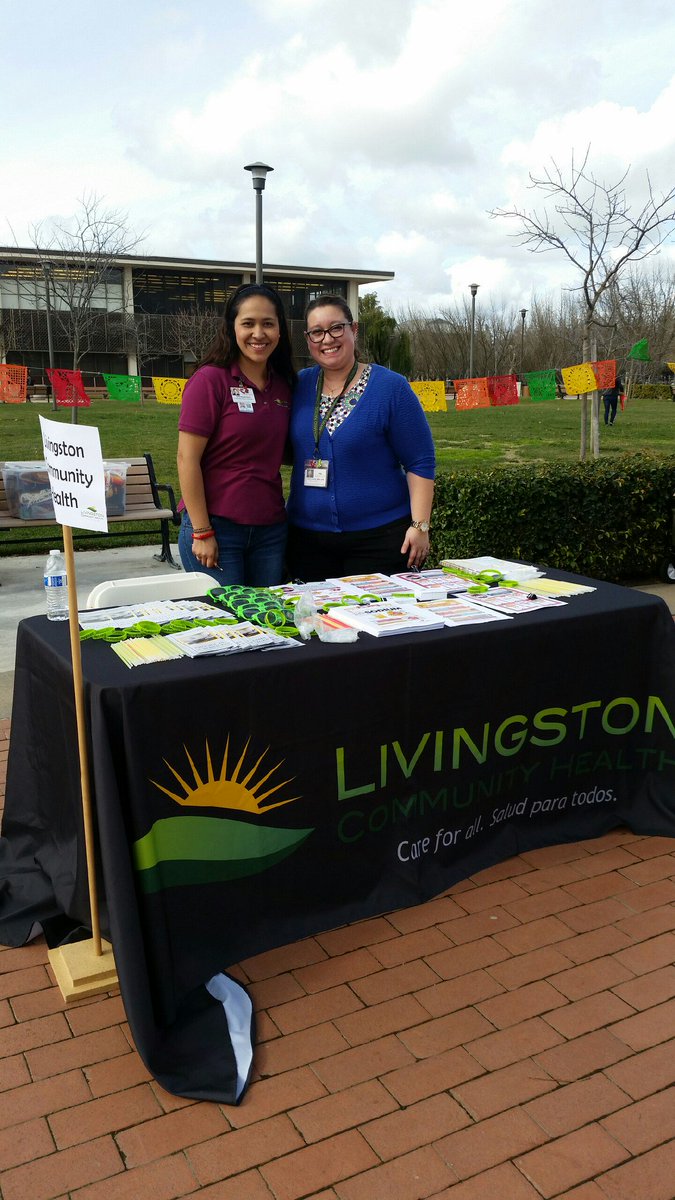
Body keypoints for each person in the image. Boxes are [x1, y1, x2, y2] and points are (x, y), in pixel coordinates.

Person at [286, 294, 435, 581]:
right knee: (316, 623)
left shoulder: (391, 388)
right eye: (317, 332)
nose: (327, 339)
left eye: (336, 328)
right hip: (308, 541)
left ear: (354, 330)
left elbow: (420, 461)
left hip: (379, 540)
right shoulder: (299, 385)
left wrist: (420, 526)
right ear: (308, 339)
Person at [177, 283, 296, 585]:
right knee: (227, 629)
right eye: (248, 323)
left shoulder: (284, 386)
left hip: (270, 529)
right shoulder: (210, 380)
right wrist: (202, 531)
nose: (259, 333)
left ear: (280, 330)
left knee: (269, 626)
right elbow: (186, 459)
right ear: (232, 329)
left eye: (268, 323)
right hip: (216, 528)